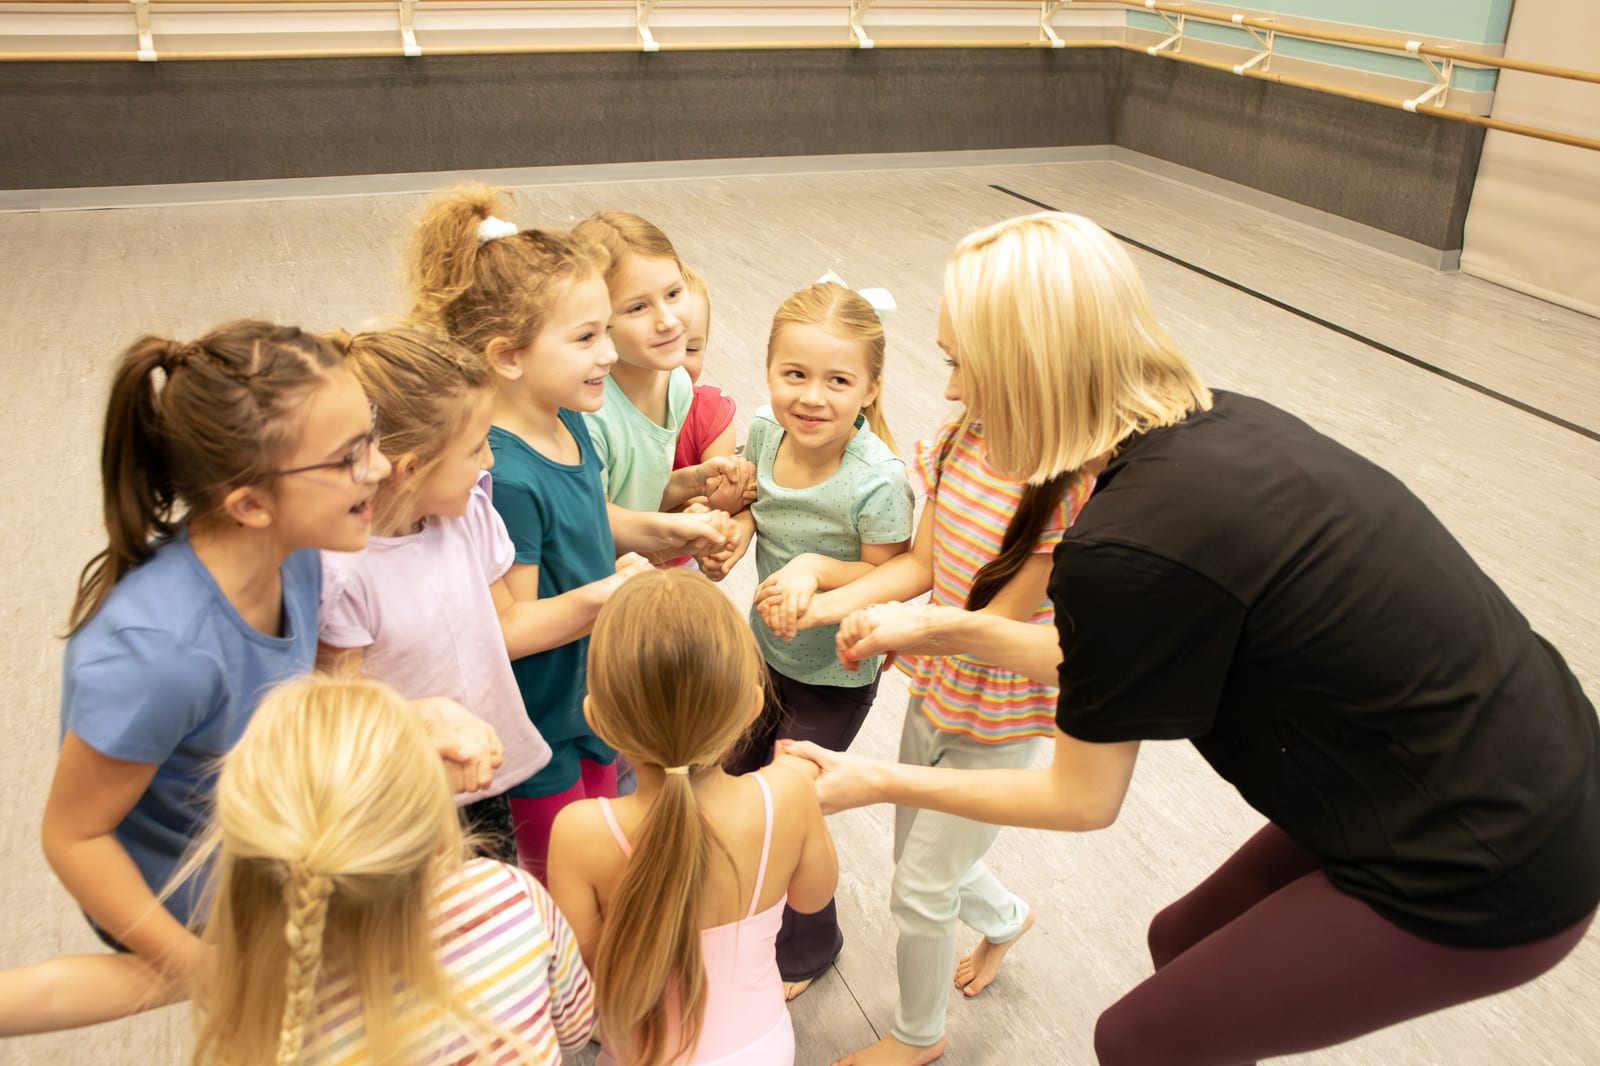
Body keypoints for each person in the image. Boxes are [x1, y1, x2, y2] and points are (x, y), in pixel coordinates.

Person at [789, 212, 1600, 1066]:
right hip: (1489, 757)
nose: (952, 393)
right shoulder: (1213, 425)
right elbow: (1131, 647)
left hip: (1497, 853)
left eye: (960, 364)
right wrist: (953, 627)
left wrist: (872, 778)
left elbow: (1082, 799)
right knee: (1181, 943)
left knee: (1141, 1039)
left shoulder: (1124, 543)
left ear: (1031, 370)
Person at [40, 321, 499, 984]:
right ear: (251, 504)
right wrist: (204, 972)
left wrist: (409, 717)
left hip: (275, 862)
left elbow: (286, 698)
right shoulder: (158, 656)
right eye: (348, 457)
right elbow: (75, 838)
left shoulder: (302, 554)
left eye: (368, 434)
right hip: (201, 915)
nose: (377, 466)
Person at [406, 185, 732, 881]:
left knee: (613, 851)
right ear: (508, 356)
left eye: (603, 334)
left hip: (591, 691)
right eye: (586, 338)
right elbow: (510, 625)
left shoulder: (568, 417)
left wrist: (662, 526)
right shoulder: (506, 475)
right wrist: (608, 597)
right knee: (566, 879)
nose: (608, 356)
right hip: (541, 720)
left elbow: (586, 521)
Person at [787, 377, 1093, 1066]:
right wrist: (837, 609)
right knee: (918, 863)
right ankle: (1009, 918)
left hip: (1001, 715)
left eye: (964, 364)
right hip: (936, 690)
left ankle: (919, 1036)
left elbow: (993, 627)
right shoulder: (963, 438)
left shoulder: (1067, 485)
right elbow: (922, 564)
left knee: (921, 888)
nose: (949, 385)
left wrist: (891, 628)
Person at [320, 328, 653, 865]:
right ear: (409, 471)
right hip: (404, 798)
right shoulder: (341, 572)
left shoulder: (469, 509)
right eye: (476, 448)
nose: (490, 464)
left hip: (485, 773)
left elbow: (506, 621)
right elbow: (339, 704)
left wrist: (610, 594)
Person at [702, 280, 915, 998]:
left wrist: (815, 568)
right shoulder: (765, 432)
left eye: (838, 380)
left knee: (788, 806)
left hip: (836, 675)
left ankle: (811, 941)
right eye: (795, 374)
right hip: (764, 654)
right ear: (768, 371)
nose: (812, 397)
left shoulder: (877, 480)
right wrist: (734, 530)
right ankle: (737, 907)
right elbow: (760, 511)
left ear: (871, 387)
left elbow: (890, 573)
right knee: (729, 781)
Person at [547, 570, 837, 1066]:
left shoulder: (580, 833)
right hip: (761, 1046)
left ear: (597, 720)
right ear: (752, 705)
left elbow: (587, 972)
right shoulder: (787, 794)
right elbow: (814, 897)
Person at [572, 212, 753, 526]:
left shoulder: (676, 384)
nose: (668, 320)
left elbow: (638, 495)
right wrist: (678, 529)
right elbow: (594, 522)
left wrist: (695, 481)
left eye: (673, 293)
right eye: (638, 307)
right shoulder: (587, 414)